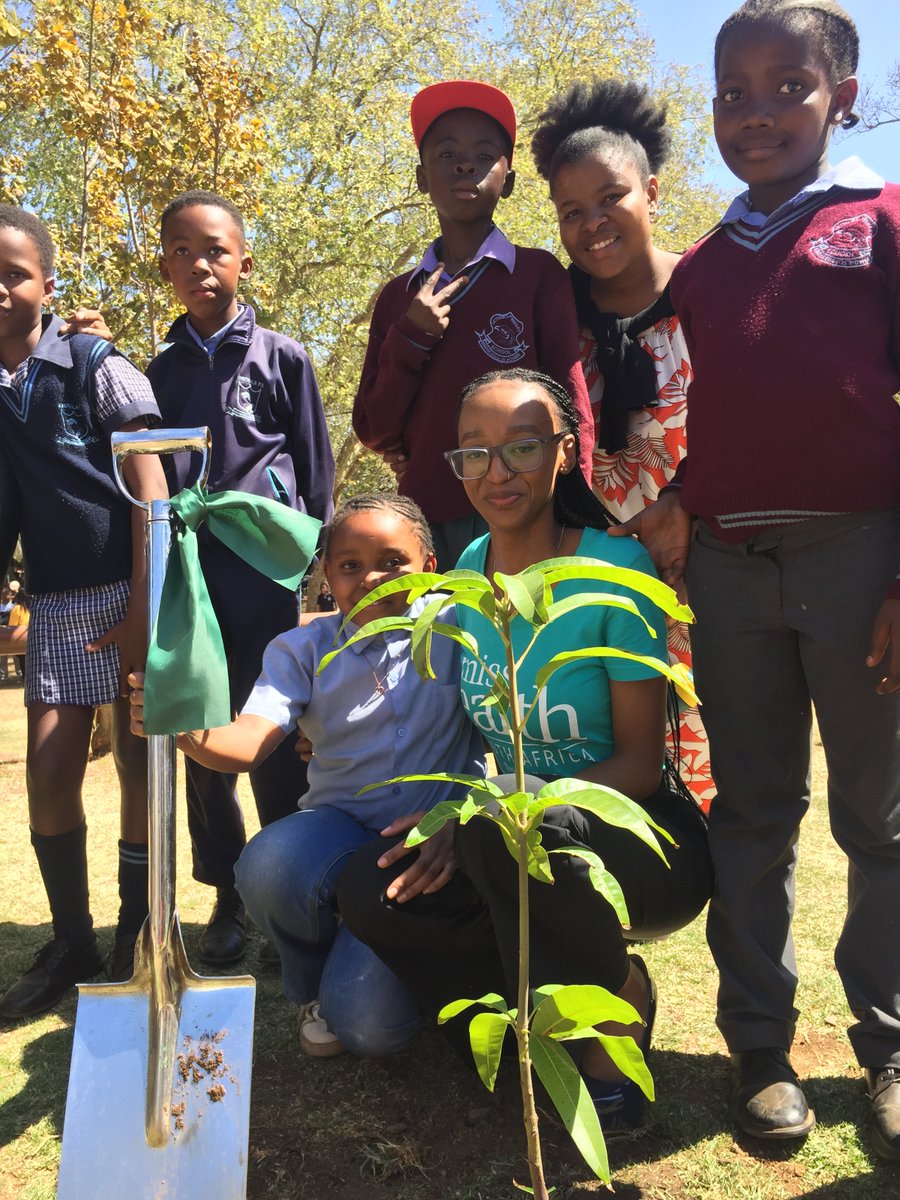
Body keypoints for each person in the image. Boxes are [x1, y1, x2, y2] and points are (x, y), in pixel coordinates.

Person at [614, 0, 900, 1156]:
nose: (760, 110)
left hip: (860, 556)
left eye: (791, 86)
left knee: (880, 819)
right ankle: (761, 1047)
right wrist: (667, 499)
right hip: (729, 567)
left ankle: (886, 1044)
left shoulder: (881, 223)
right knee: (752, 815)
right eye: (735, 91)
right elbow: (645, 391)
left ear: (843, 97)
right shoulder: (704, 268)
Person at [339, 368, 712, 1130]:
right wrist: (456, 820)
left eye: (521, 447)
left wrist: (494, 812)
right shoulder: (466, 577)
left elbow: (641, 767)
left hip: (641, 838)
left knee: (508, 828)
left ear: (565, 454)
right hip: (511, 831)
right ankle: (530, 1019)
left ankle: (614, 1018)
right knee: (367, 888)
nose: (496, 471)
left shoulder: (614, 571)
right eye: (473, 452)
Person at [129, 493, 485, 1057]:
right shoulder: (299, 649)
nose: (371, 579)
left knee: (373, 1029)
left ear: (430, 569)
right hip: (338, 832)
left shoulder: (461, 632)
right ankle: (317, 978)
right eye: (349, 565)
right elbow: (248, 742)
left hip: (429, 841)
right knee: (268, 864)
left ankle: (398, 965)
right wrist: (181, 725)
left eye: (393, 562)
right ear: (326, 575)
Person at [147, 190, 335, 966]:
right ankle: (225, 894)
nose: (201, 264)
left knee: (276, 731)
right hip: (192, 579)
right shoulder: (154, 373)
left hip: (265, 575)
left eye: (216, 250)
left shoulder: (281, 356)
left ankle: (289, 890)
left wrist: (318, 577)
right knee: (202, 733)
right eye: (184, 251)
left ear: (244, 263)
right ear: (165, 267)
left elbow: (315, 473)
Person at [0, 205, 167, 1019]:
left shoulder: (95, 363)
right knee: (50, 766)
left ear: (47, 283)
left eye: (13, 275)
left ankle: (138, 935)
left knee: (138, 762)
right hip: (56, 603)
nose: (0, 291)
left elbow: (151, 487)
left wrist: (144, 601)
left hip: (129, 587)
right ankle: (72, 939)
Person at [531, 78, 713, 811]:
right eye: (571, 211)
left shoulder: (712, 289)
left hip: (714, 568)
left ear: (653, 190)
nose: (593, 223)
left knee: (729, 777)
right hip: (600, 591)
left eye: (611, 198)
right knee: (610, 778)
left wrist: (689, 505)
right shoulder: (553, 314)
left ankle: (747, 924)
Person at [353, 80, 595, 569]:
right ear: (421, 177)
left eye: (484, 155)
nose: (465, 165)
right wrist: (411, 337)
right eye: (446, 154)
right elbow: (374, 428)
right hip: (428, 524)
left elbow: (571, 402)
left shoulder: (536, 275)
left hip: (526, 514)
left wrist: (577, 511)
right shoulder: (397, 298)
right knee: (441, 641)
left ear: (508, 180)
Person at [7, 584, 30, 682]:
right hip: (32, 636)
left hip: (21, 638)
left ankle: (25, 679)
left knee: (23, 661)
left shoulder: (17, 609)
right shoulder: (33, 608)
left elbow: (12, 625)